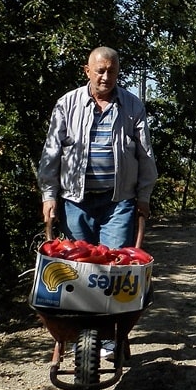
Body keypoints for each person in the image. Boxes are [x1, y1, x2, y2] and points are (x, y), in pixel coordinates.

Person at [39, 47, 158, 249]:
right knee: (79, 268)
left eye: (111, 71)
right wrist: (49, 196)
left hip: (118, 203)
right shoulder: (67, 104)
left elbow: (145, 154)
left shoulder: (132, 106)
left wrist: (144, 196)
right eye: (100, 70)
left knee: (114, 266)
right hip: (76, 202)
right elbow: (51, 153)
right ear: (87, 71)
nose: (106, 77)